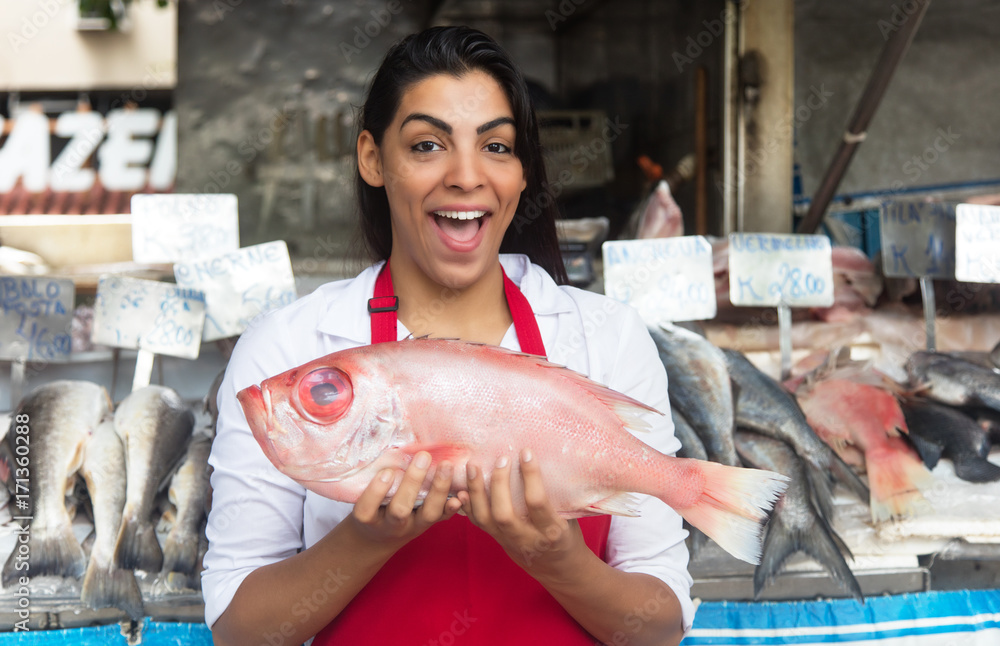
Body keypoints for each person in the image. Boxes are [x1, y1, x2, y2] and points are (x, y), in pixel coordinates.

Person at [203, 25, 695, 646]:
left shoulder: (605, 335)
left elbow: (658, 629)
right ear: (373, 159)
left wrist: (559, 561)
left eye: (496, 146)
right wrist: (365, 540)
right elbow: (239, 631)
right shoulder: (290, 347)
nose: (467, 176)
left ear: (521, 174)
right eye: (429, 144)